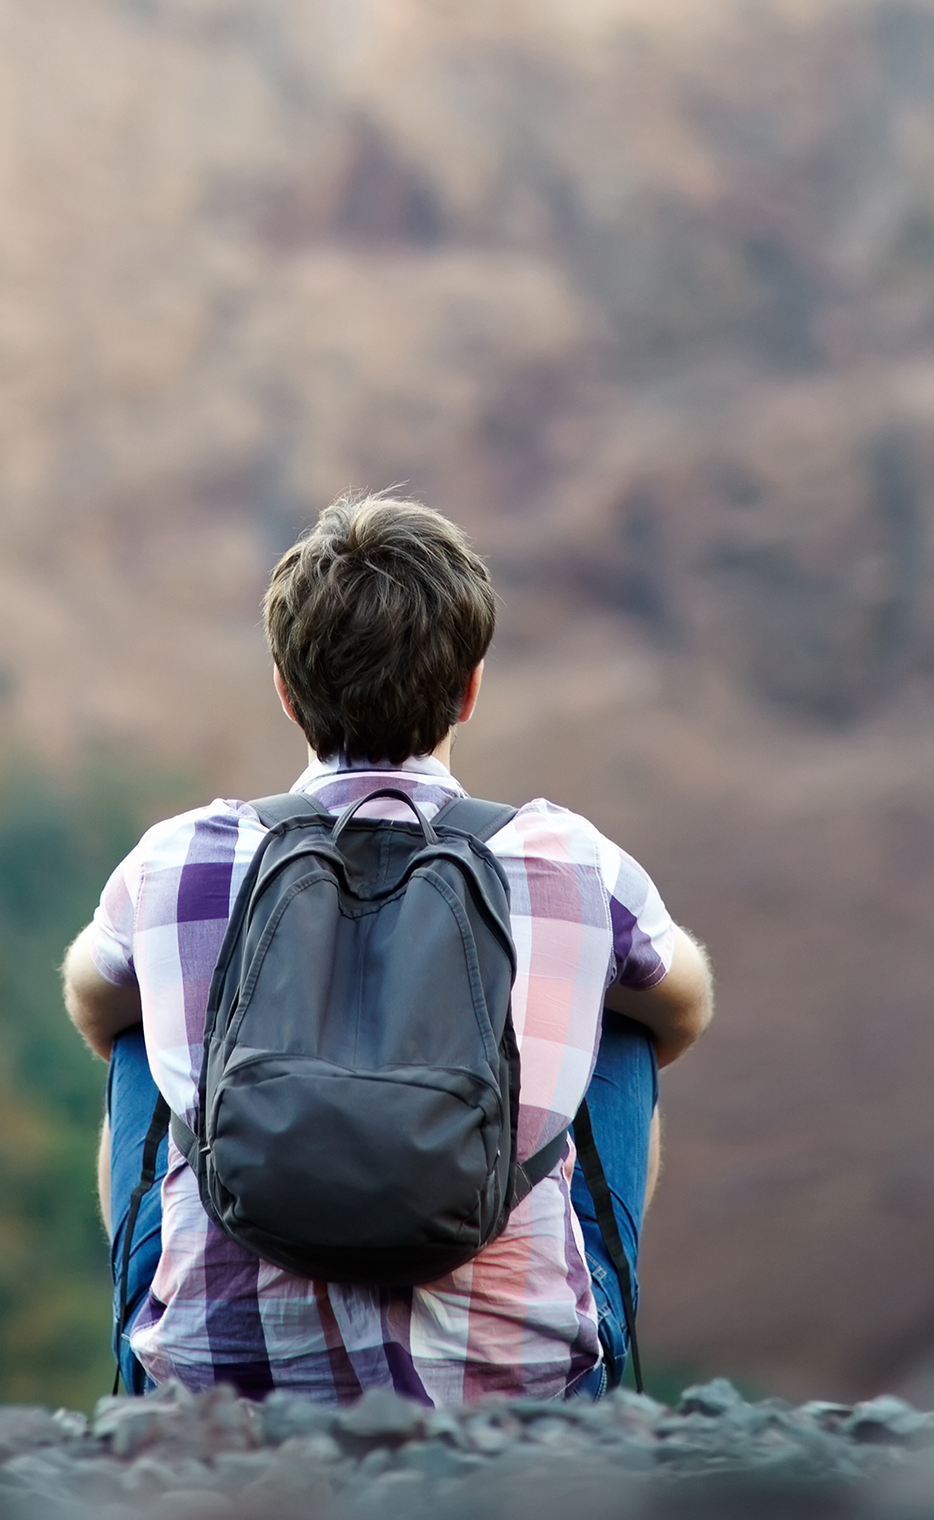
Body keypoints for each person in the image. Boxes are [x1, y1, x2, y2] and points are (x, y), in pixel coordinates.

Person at [60, 491, 715, 1402]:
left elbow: (88, 1007)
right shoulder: (566, 859)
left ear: (286, 691)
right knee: (627, 1006)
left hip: (221, 1381)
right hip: (514, 1383)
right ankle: (578, 1345)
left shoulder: (182, 857)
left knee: (137, 1015)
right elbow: (687, 1003)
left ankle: (152, 1365)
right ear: (470, 687)